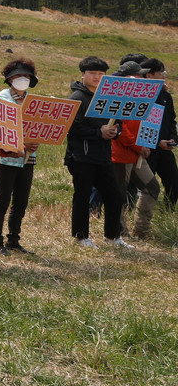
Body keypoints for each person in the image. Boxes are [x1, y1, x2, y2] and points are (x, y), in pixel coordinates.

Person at [66, 56, 128, 248]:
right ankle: (81, 237)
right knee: (82, 196)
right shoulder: (76, 97)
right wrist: (98, 133)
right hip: (81, 156)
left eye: (101, 74)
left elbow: (119, 123)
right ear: (83, 74)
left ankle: (112, 237)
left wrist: (114, 132)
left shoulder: (109, 97)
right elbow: (71, 128)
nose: (97, 77)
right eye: (93, 73)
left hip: (103, 156)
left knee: (114, 196)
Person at [0, 58, 41, 254]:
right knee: (2, 201)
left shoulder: (33, 102)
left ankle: (13, 240)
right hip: (6, 158)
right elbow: (0, 130)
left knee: (21, 201)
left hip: (27, 158)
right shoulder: (2, 98)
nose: (23, 79)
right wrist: (21, 144)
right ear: (10, 78)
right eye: (19, 75)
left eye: (27, 76)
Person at [111, 61, 160, 241]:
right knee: (119, 195)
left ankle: (141, 232)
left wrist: (145, 144)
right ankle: (119, 232)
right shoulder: (116, 99)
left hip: (138, 153)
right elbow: (121, 131)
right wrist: (139, 146)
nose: (143, 78)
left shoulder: (143, 99)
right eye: (139, 75)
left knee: (152, 188)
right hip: (120, 155)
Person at [143, 58, 178, 208]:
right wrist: (157, 142)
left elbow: (172, 120)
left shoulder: (165, 96)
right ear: (149, 76)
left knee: (174, 182)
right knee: (146, 187)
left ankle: (167, 211)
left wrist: (173, 139)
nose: (164, 75)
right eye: (161, 72)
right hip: (147, 149)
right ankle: (143, 214)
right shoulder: (142, 96)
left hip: (165, 148)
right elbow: (141, 125)